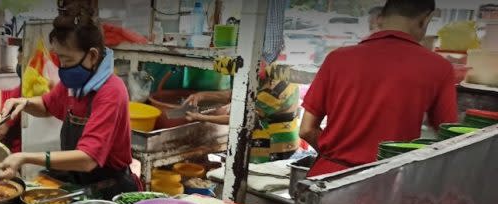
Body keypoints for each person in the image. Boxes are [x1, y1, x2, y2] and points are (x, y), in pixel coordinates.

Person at [0, 4, 139, 199]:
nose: (62, 68)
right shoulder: (75, 83)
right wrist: (24, 103)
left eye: (68, 61)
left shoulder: (111, 91)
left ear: (93, 56)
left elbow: (88, 159)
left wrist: (25, 157)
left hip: (109, 191)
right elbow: (46, 106)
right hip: (79, 183)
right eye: (59, 60)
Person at [299, 0, 458, 177]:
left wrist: (334, 155)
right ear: (425, 19)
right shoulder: (438, 68)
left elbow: (306, 129)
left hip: (326, 179)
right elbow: (450, 141)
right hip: (385, 183)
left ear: (380, 19)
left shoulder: (337, 59)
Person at [183, 64, 301, 163]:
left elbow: (241, 119)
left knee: (258, 181)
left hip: (275, 146)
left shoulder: (276, 91)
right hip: (267, 139)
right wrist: (202, 96)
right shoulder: (268, 71)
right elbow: (241, 93)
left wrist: (200, 117)